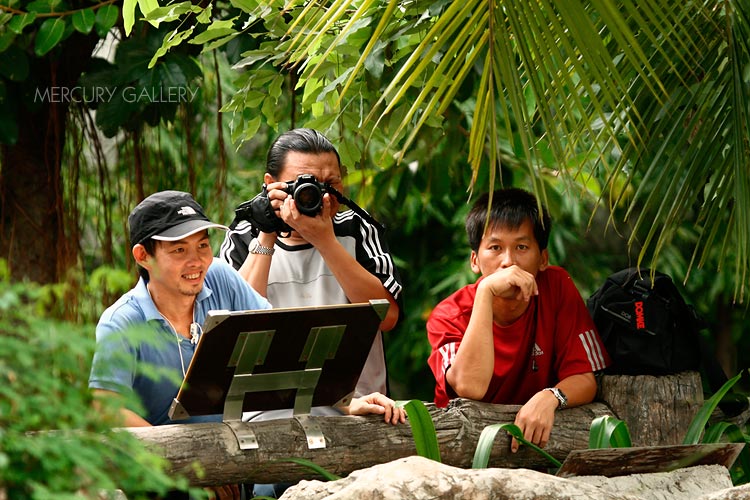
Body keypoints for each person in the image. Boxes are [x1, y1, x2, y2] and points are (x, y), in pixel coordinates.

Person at [89, 190, 405, 497]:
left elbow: (280, 349)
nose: (197, 261)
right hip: (155, 476)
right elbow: (106, 408)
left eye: (202, 245)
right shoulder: (122, 321)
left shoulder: (221, 277)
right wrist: (188, 468)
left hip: (228, 463)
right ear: (143, 256)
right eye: (179, 251)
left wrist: (343, 401)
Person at [220, 128, 404, 399]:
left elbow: (386, 317)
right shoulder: (243, 235)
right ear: (271, 184)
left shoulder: (357, 229)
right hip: (266, 410)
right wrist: (267, 232)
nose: (322, 197)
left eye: (331, 184)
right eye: (305, 184)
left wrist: (326, 241)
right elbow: (232, 330)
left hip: (358, 406)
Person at [426, 188, 610, 453]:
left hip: (536, 449)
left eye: (521, 247)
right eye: (495, 248)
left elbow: (584, 378)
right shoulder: (448, 315)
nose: (508, 262)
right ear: (475, 260)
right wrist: (486, 293)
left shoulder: (557, 287)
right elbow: (470, 387)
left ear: (543, 259)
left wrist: (550, 397)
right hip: (463, 450)